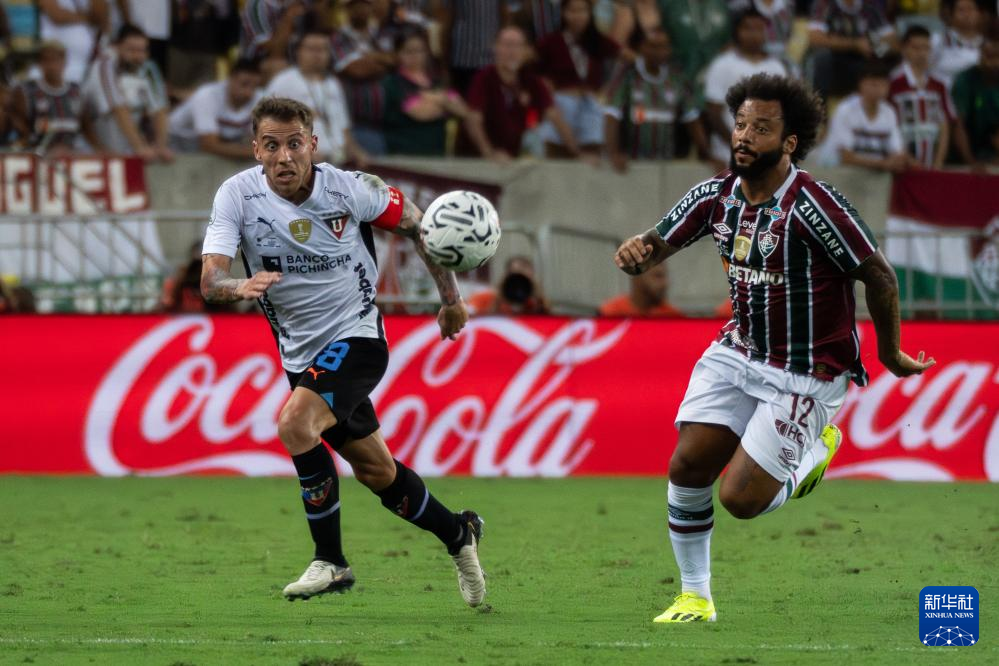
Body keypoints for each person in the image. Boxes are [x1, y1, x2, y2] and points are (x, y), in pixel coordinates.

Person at [613, 72, 934, 623]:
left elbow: (880, 276)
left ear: (789, 142)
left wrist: (889, 352)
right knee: (687, 467)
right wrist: (636, 254)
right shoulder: (716, 196)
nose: (744, 136)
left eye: (760, 128)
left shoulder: (815, 206)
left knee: (740, 500)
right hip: (739, 351)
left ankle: (814, 454)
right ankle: (695, 597)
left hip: (807, 370)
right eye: (740, 124)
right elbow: (656, 244)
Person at [200, 96, 486, 606]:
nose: (284, 156)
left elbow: (418, 226)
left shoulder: (352, 189)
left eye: (294, 144)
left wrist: (450, 300)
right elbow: (211, 280)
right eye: (271, 145)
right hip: (300, 357)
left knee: (294, 424)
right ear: (256, 150)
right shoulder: (236, 196)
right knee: (379, 473)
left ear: (313, 144)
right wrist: (237, 285)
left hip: (358, 338)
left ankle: (330, 561)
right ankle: (458, 533)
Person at [464, 25, 585, 163]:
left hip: (514, 158)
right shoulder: (483, 78)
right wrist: (489, 153)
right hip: (479, 159)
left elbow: (555, 117)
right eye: (507, 45)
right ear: (495, 47)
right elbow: (473, 119)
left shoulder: (532, 82)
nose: (512, 51)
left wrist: (579, 153)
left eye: (518, 46)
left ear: (526, 51)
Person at [604, 27, 712, 171]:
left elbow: (691, 118)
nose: (659, 52)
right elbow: (612, 114)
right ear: (641, 47)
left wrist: (707, 155)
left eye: (664, 47)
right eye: (653, 46)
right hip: (632, 164)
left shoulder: (676, 78)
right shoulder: (628, 75)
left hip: (665, 164)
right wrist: (613, 152)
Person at [266, 29, 369, 166]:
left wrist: (356, 151)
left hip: (336, 162)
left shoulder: (333, 83)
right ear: (298, 52)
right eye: (312, 49)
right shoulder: (283, 81)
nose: (318, 54)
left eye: (323, 49)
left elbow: (344, 128)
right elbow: (266, 126)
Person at [535, 0, 619, 160]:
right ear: (563, 13)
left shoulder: (598, 41)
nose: (577, 16)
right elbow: (535, 71)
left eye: (582, 11)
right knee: (557, 153)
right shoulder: (550, 42)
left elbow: (624, 57)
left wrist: (608, 90)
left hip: (590, 103)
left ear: (589, 13)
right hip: (562, 102)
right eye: (572, 11)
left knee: (593, 155)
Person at [704, 9, 788, 165]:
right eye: (748, 28)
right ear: (737, 32)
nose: (754, 34)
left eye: (759, 29)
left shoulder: (777, 68)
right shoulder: (722, 65)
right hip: (727, 154)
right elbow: (713, 113)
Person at [81, 23, 173, 161]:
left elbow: (160, 108)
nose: (138, 56)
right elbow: (118, 108)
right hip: (95, 149)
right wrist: (140, 148)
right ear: (117, 46)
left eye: (142, 50)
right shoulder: (104, 64)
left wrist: (161, 146)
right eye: (132, 50)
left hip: (127, 150)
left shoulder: (148, 67)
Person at [382, 27, 470, 156]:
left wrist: (436, 99)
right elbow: (421, 113)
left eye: (420, 51)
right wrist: (447, 105)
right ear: (398, 54)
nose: (415, 56)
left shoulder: (437, 81)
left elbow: (463, 110)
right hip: (404, 152)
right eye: (408, 51)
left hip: (437, 152)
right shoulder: (393, 82)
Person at [820, 61, 916, 172]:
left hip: (872, 174)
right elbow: (846, 157)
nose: (879, 89)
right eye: (874, 84)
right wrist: (883, 164)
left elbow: (897, 150)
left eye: (883, 84)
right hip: (838, 174)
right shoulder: (846, 110)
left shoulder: (889, 112)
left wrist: (899, 160)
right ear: (861, 84)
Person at [330, 0, 395, 156]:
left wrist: (370, 57)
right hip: (357, 124)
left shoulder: (382, 34)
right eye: (355, 5)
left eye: (364, 4)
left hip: (389, 123)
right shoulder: (338, 38)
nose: (360, 9)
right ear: (347, 9)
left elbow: (396, 60)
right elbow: (357, 70)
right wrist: (384, 64)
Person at [889, 26, 958, 169]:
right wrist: (907, 159)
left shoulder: (939, 85)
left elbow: (944, 125)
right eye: (916, 48)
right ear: (904, 49)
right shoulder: (893, 83)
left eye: (926, 48)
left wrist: (939, 162)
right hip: (902, 164)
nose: (922, 53)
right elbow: (889, 125)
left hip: (933, 164)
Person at [169, 58, 263, 158]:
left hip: (215, 142)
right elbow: (208, 145)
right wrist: (256, 152)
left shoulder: (258, 98)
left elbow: (258, 139)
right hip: (177, 140)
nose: (249, 93)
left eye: (254, 87)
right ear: (231, 79)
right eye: (244, 84)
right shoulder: (206, 96)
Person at [10, 41, 89, 156]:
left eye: (55, 60)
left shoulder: (76, 92)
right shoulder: (27, 91)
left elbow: (86, 127)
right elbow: (19, 128)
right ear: (39, 63)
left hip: (71, 154)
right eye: (46, 60)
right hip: (36, 154)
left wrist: (100, 149)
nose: (51, 65)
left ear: (64, 62)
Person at [807, 0, 896, 100]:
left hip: (863, 61)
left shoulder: (870, 5)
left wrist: (871, 43)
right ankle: (820, 103)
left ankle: (886, 102)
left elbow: (892, 41)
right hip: (836, 63)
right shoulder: (825, 4)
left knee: (890, 55)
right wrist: (855, 44)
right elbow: (815, 38)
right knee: (822, 56)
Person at [951, 22, 999, 166]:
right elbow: (958, 125)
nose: (992, 63)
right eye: (988, 56)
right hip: (971, 151)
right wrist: (970, 161)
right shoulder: (965, 80)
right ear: (980, 53)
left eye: (997, 57)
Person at [38, 0, 109, 83]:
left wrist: (77, 16)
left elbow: (101, 18)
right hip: (54, 57)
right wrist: (88, 18)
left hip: (85, 62)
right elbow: (57, 16)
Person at [466, 255, 551, 315]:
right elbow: (470, 321)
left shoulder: (534, 303)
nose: (519, 285)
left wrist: (539, 299)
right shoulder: (483, 298)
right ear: (506, 277)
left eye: (524, 281)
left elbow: (547, 323)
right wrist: (497, 300)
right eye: (515, 278)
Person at [932, 0, 986, 90]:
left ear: (979, 13)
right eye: (961, 10)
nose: (967, 14)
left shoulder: (989, 43)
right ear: (951, 14)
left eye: (971, 9)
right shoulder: (937, 41)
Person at [598, 262, 684, 317]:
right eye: (658, 276)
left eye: (665, 277)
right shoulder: (610, 313)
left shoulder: (673, 316)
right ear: (638, 277)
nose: (665, 284)